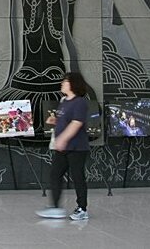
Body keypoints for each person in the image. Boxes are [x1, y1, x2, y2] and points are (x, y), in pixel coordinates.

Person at [36, 72, 90, 221]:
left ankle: (82, 209)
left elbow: (76, 123)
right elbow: (65, 120)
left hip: (77, 148)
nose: (62, 84)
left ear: (73, 84)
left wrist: (63, 139)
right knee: (55, 174)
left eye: (65, 81)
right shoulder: (64, 101)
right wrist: (55, 120)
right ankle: (55, 207)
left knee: (78, 177)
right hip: (63, 149)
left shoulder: (80, 102)